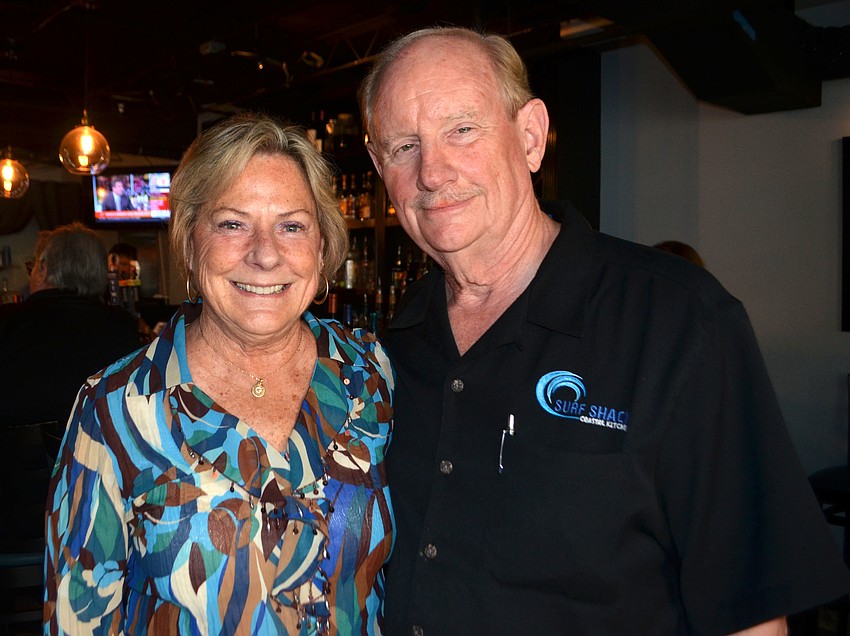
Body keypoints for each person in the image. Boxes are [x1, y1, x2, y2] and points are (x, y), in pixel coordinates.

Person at [359, 26, 849, 635]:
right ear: (381, 168)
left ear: (531, 137)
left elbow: (749, 619)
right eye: (405, 146)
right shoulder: (384, 354)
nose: (432, 172)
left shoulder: (681, 323)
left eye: (462, 130)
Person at [44, 113, 395, 634]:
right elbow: (75, 618)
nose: (265, 254)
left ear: (323, 248)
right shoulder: (115, 408)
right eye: (232, 223)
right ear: (189, 240)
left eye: (292, 226)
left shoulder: (369, 372)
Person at [0, 222, 140, 428]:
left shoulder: (7, 321)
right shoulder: (122, 325)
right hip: (103, 456)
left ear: (43, 269)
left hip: (19, 457)